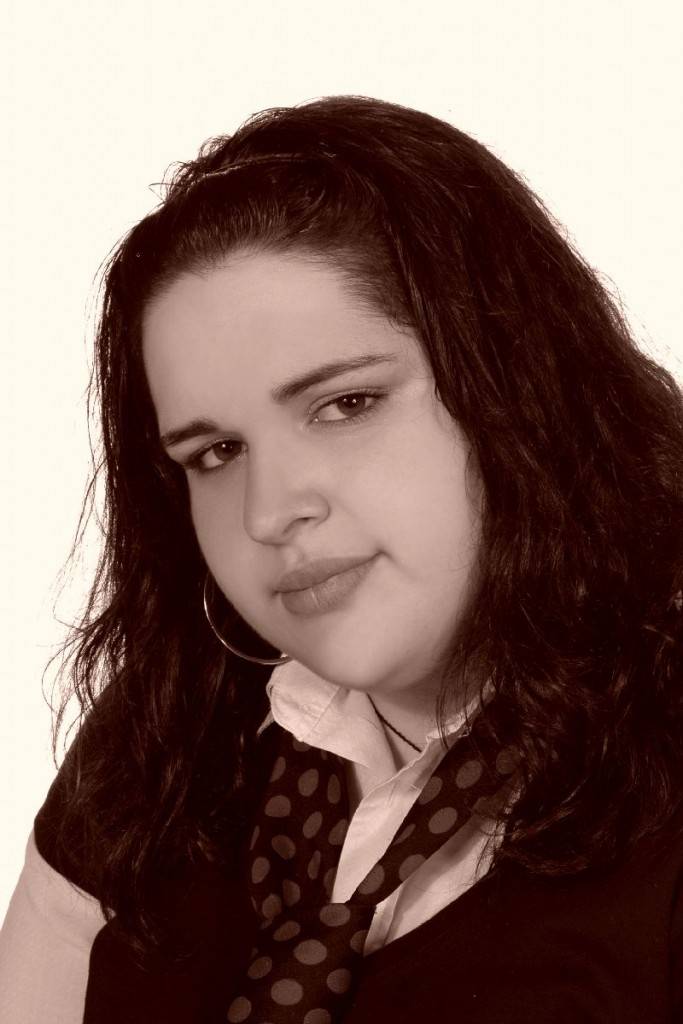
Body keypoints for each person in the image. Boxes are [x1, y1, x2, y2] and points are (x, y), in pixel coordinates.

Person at [1, 95, 682, 1024]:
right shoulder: (162, 741)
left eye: (345, 405)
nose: (269, 512)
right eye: (216, 452)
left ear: (516, 386)